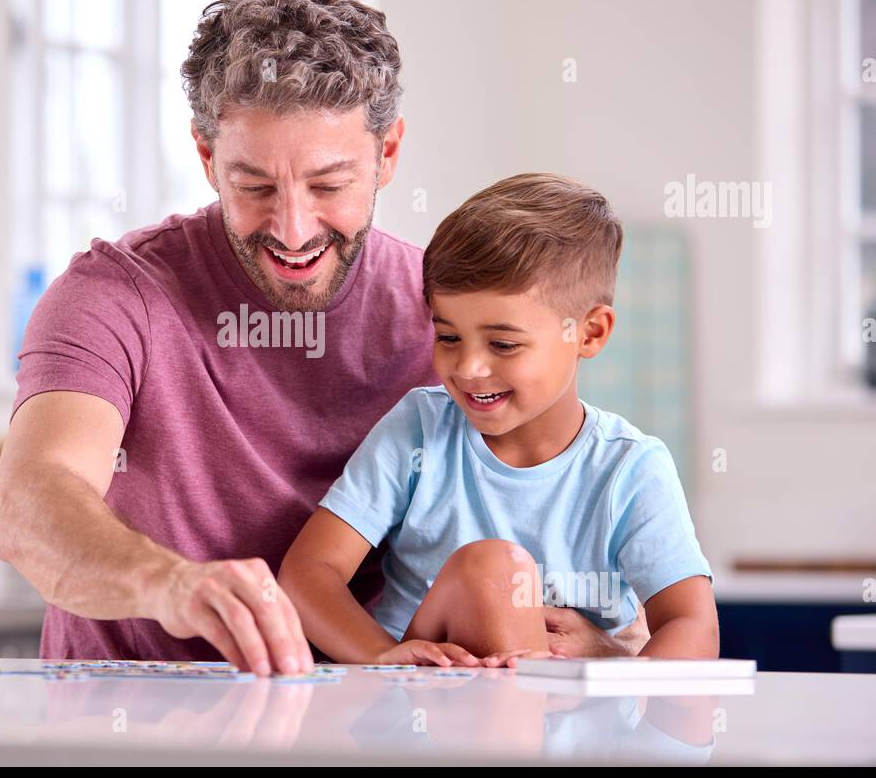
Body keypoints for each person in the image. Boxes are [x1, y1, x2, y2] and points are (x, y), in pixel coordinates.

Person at [0, 0, 649, 674]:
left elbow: (554, 515)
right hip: (134, 717)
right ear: (207, 157)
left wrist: (605, 647)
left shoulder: (447, 319)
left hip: (373, 722)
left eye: (329, 185)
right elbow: (30, 502)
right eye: (255, 186)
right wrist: (171, 585)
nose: (293, 230)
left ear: (387, 154)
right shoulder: (113, 297)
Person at [279, 174, 716, 667]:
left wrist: (614, 663)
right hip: (423, 712)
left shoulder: (631, 467)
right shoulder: (420, 429)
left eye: (503, 344)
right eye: (448, 338)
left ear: (589, 333)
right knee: (494, 572)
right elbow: (308, 572)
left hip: (574, 727)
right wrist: (385, 655)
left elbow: (691, 624)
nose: (468, 369)